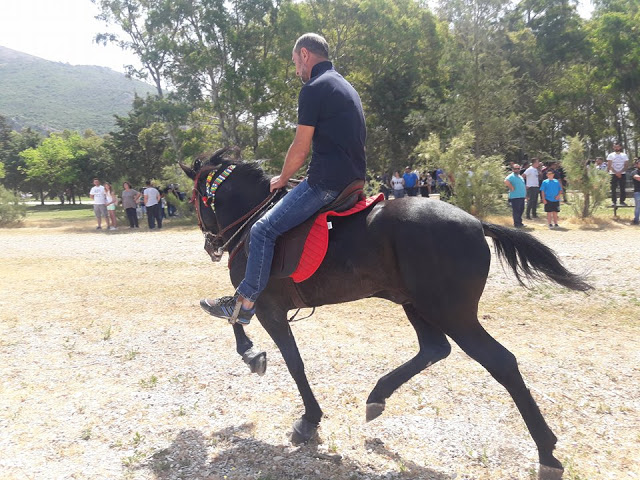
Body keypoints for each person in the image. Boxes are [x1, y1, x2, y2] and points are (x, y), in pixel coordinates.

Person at [200, 33, 367, 325]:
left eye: (295, 63)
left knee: (262, 230)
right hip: (352, 179)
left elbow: (301, 147)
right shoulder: (344, 86)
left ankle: (244, 303)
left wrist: (283, 178)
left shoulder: (314, 88)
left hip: (327, 183)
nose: (297, 71)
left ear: (305, 55)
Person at [632, 158, 640, 225]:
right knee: (638, 207)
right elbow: (638, 178)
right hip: (638, 192)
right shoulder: (634, 172)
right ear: (637, 165)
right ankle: (636, 220)